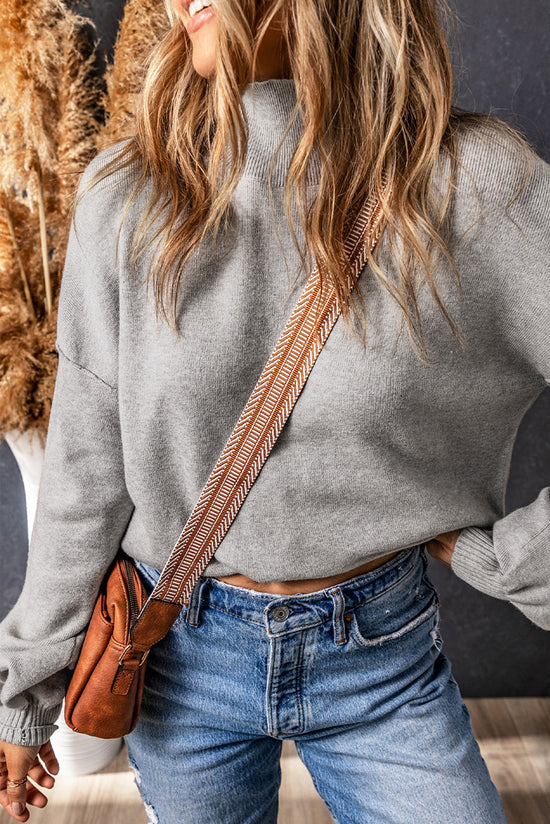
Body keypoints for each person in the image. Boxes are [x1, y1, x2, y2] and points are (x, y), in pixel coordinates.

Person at [0, 0, 549, 821]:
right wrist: (25, 692)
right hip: (177, 652)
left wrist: (508, 559)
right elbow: (85, 472)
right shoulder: (125, 194)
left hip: (378, 654)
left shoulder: (475, 184)